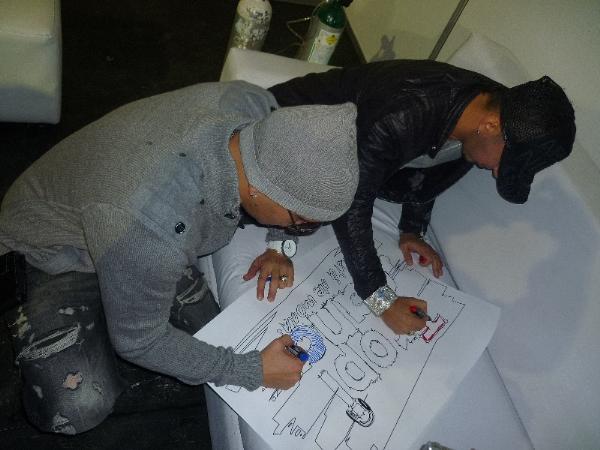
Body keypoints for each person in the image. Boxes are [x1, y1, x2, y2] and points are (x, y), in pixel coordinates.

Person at [0, 80, 359, 434]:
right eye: (303, 223)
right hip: (50, 252)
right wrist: (252, 370)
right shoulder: (155, 227)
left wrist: (278, 242)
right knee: (79, 406)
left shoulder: (250, 102)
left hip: (119, 222)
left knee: (216, 331)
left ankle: (128, 294)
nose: (303, 229)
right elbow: (139, 341)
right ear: (259, 189)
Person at [244, 59, 576, 336]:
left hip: (347, 153)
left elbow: (432, 167)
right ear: (490, 126)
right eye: (506, 162)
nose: (497, 173)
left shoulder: (487, 111)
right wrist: (381, 299)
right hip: (276, 133)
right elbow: (350, 200)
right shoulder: (402, 114)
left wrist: (412, 229)